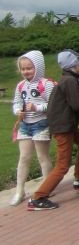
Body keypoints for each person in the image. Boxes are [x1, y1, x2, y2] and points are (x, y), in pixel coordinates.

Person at [28, 50, 79, 211]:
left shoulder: (69, 78)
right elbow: (76, 105)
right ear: (74, 65)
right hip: (63, 127)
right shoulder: (69, 80)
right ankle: (38, 197)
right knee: (63, 165)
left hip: (66, 124)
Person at [10, 50, 54, 206]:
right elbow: (16, 102)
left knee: (43, 157)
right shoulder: (21, 85)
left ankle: (46, 187)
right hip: (25, 124)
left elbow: (52, 104)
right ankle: (19, 190)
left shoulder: (46, 84)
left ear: (38, 67)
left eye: (29, 68)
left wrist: (37, 107)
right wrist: (18, 110)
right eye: (23, 69)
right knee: (24, 157)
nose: (26, 71)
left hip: (41, 123)